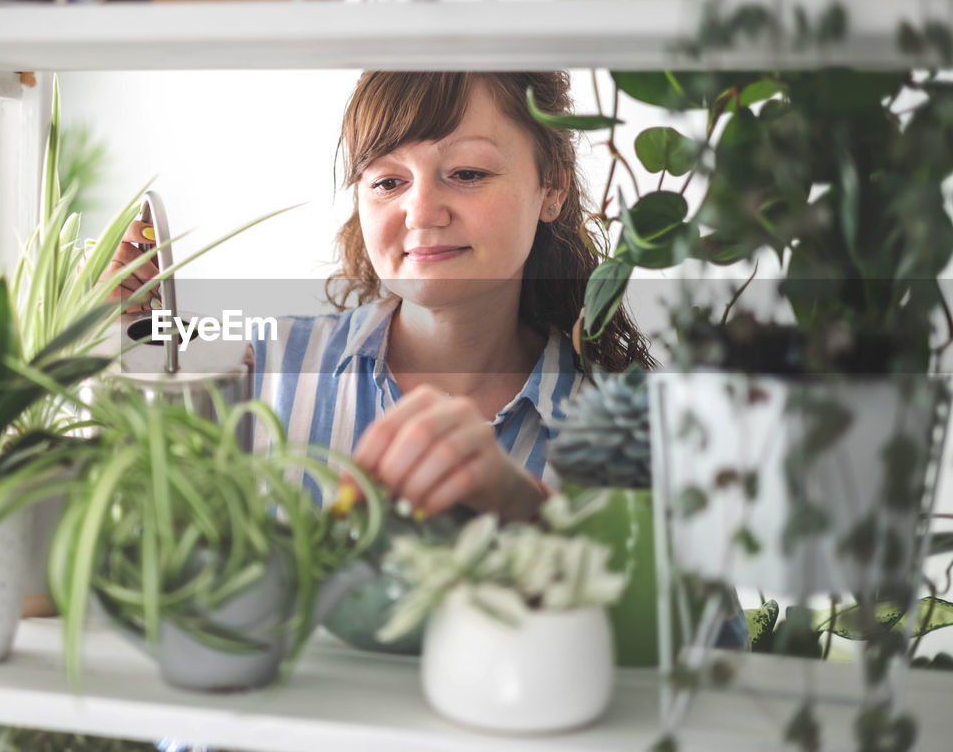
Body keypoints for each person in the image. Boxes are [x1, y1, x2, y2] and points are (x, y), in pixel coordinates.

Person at [103, 70, 652, 524]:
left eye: (466, 172)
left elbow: (729, 636)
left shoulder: (624, 432)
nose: (420, 211)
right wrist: (110, 338)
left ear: (551, 188)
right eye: (388, 182)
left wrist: (532, 518)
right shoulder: (256, 363)